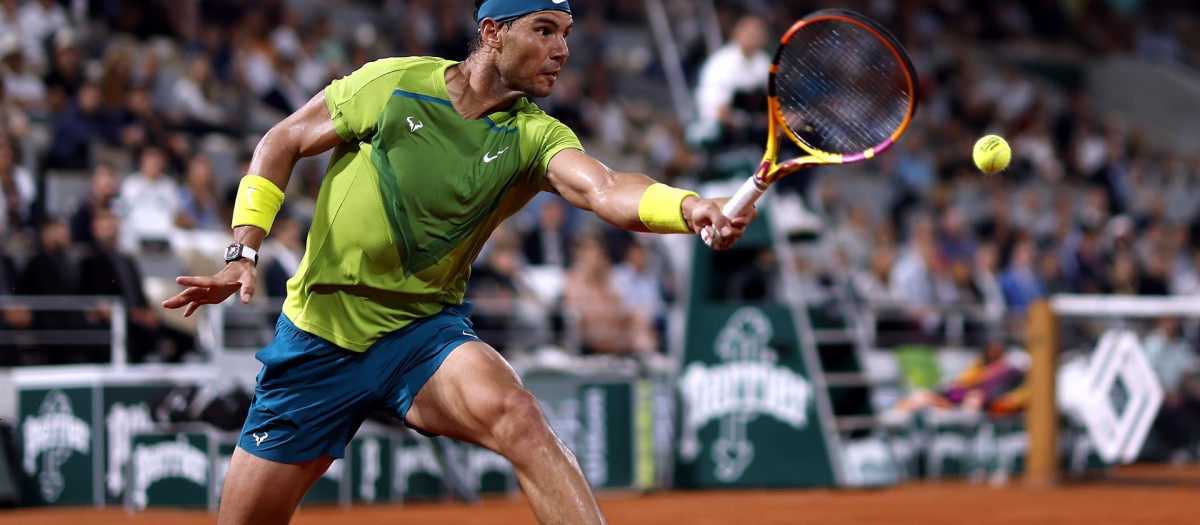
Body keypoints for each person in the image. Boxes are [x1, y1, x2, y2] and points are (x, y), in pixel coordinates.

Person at [162, 1, 754, 523]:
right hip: (320, 338)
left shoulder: (534, 136)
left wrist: (690, 206)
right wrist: (243, 251)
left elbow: (604, 188)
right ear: (493, 32)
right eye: (544, 30)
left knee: (519, 416)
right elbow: (281, 141)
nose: (562, 50)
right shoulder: (393, 84)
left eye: (567, 34)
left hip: (420, 336)